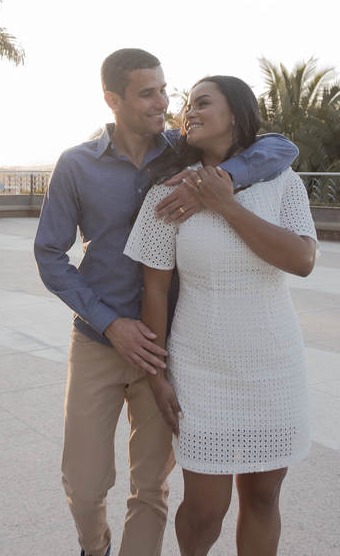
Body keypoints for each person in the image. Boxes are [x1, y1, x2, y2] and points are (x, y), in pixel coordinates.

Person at [34, 49, 298, 556]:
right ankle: (95, 546)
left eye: (164, 89)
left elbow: (281, 147)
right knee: (84, 485)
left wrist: (220, 184)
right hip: (98, 339)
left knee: (151, 486)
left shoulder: (184, 151)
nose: (164, 102)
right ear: (113, 99)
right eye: (147, 92)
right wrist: (112, 324)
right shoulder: (76, 165)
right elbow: (50, 256)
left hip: (168, 345)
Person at [123, 75, 317, 556]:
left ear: (236, 114)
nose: (187, 111)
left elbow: (302, 260)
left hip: (274, 367)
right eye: (186, 104)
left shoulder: (281, 183)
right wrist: (157, 374)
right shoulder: (167, 194)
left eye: (202, 102)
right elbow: (155, 287)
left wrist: (225, 203)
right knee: (206, 510)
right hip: (200, 370)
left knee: (264, 494)